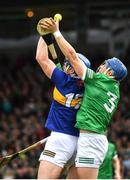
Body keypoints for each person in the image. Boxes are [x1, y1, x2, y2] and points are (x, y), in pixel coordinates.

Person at [40, 17, 127, 179]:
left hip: (90, 140)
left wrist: (55, 33)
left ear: (109, 73)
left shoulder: (98, 81)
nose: (100, 66)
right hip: (85, 138)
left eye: (104, 65)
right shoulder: (113, 88)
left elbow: (72, 57)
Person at [35, 33, 91, 178]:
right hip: (82, 143)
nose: (66, 64)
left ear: (74, 68)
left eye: (69, 63)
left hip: (61, 139)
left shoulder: (63, 80)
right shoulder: (92, 87)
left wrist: (44, 35)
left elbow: (41, 58)